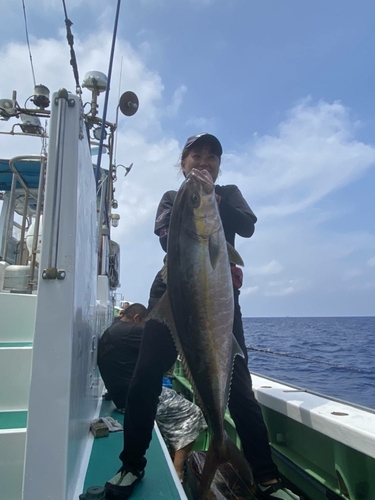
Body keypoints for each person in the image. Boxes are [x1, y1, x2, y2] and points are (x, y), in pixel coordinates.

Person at [105, 133, 299, 500]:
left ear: (219, 166)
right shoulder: (173, 199)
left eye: (212, 156)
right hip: (172, 296)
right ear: (183, 163)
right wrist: (196, 200)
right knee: (144, 377)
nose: (204, 161)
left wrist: (214, 199)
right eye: (196, 155)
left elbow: (247, 225)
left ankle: (267, 477)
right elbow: (166, 235)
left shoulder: (229, 193)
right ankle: (131, 465)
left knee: (240, 390)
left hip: (221, 303)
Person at [98, 302, 207, 482]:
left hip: (119, 395)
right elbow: (168, 349)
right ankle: (177, 472)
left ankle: (174, 451)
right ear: (137, 319)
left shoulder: (115, 328)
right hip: (131, 398)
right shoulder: (133, 331)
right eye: (144, 324)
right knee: (193, 413)